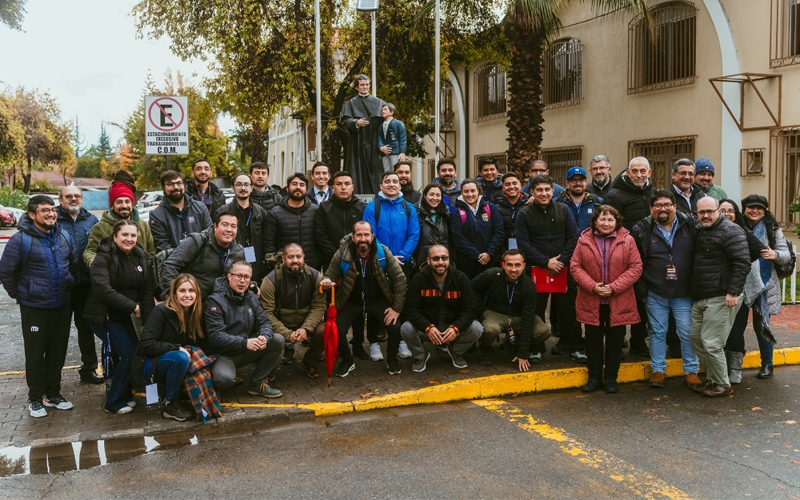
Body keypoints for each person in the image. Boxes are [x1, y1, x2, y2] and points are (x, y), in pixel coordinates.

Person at [0, 195, 79, 418]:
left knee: (57, 353)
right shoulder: (20, 240)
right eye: (45, 210)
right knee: (35, 355)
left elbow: (72, 266)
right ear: (32, 214)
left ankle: (53, 394)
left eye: (53, 210)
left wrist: (69, 286)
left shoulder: (63, 236)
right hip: (35, 308)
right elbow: (6, 272)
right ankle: (35, 399)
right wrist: (22, 295)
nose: (51, 214)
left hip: (62, 306)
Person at [630, 190, 702, 390]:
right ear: (651, 209)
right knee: (657, 332)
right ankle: (658, 370)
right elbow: (635, 260)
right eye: (658, 205)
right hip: (656, 292)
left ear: (674, 207)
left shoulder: (691, 225)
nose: (663, 208)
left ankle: (691, 371)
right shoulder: (642, 229)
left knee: (687, 332)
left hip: (684, 292)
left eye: (667, 204)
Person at [84, 219, 155, 414]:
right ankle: (113, 402)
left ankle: (125, 394)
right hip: (105, 316)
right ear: (114, 236)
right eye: (124, 235)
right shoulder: (103, 258)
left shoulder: (141, 256)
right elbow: (102, 290)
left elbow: (147, 291)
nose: (129, 239)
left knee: (137, 352)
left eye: (133, 235)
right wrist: (131, 305)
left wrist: (148, 323)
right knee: (128, 353)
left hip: (129, 317)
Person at [320, 221, 408, 376]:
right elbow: (330, 275)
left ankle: (392, 360)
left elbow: (399, 279)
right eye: (359, 235)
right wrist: (326, 282)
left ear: (372, 237)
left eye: (366, 234)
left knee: (394, 326)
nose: (363, 238)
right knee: (336, 329)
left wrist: (396, 309)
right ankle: (347, 360)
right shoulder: (342, 253)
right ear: (353, 237)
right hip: (351, 300)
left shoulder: (383, 252)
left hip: (377, 299)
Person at [572, 206, 642, 394]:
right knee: (593, 343)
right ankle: (594, 377)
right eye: (602, 219)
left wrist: (614, 287)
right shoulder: (583, 240)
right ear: (595, 221)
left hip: (619, 300)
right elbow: (575, 267)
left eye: (610, 220)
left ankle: (611, 377)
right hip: (591, 299)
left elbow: (636, 267)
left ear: (617, 222)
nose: (606, 223)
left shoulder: (628, 240)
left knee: (615, 342)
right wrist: (593, 286)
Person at [515, 174, 585, 363]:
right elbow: (523, 244)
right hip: (536, 269)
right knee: (536, 311)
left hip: (563, 268)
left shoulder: (563, 210)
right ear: (532, 192)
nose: (544, 193)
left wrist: (560, 261)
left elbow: (573, 237)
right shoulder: (524, 213)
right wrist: (546, 262)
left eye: (547, 189)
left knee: (570, 310)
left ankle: (576, 347)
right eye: (539, 190)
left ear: (553, 191)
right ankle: (536, 349)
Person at [689, 197, 750, 397]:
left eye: (710, 211)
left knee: (712, 342)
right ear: (696, 213)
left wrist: (733, 292)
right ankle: (714, 380)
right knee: (697, 339)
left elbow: (742, 262)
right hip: (702, 296)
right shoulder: (701, 230)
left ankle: (723, 384)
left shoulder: (731, 231)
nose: (705, 215)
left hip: (722, 296)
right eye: (701, 212)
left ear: (718, 211)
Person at [725, 195, 791, 381]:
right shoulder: (736, 226)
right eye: (750, 207)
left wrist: (774, 254)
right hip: (740, 285)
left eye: (759, 207)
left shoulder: (773, 229)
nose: (755, 210)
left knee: (762, 326)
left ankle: (767, 364)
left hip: (765, 285)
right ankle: (734, 368)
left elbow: (786, 255)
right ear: (743, 209)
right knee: (735, 328)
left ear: (765, 210)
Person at [205, 261, 284, 397]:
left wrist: (264, 337)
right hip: (223, 354)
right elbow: (216, 336)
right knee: (224, 379)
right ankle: (213, 385)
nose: (243, 281)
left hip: (245, 349)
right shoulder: (215, 301)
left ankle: (257, 384)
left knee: (277, 340)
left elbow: (264, 321)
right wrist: (245, 342)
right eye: (239, 276)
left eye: (247, 277)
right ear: (229, 276)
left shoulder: (250, 296)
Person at [137, 274, 207, 422]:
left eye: (191, 291)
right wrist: (176, 348)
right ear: (174, 293)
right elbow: (146, 345)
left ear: (197, 293)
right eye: (182, 291)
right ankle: (170, 403)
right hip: (150, 363)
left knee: (201, 357)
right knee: (180, 358)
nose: (187, 295)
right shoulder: (161, 311)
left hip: (172, 357)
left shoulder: (196, 312)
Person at [400, 245, 482, 371]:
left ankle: (456, 352)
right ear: (428, 260)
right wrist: (428, 327)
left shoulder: (461, 278)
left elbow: (471, 309)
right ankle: (421, 356)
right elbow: (411, 310)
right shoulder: (418, 279)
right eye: (436, 259)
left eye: (444, 258)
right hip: (428, 328)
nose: (440, 262)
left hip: (452, 327)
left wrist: (456, 328)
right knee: (406, 328)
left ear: (449, 259)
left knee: (477, 328)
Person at [604, 157, 655, 357]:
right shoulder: (615, 195)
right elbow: (610, 226)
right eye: (635, 171)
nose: (639, 175)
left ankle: (638, 341)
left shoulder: (654, 193)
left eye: (643, 171)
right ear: (628, 172)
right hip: (622, 256)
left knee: (643, 301)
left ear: (649, 173)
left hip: (650, 256)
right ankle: (615, 343)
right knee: (619, 301)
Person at [472, 249, 550, 367]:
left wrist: (523, 353)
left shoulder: (529, 286)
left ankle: (513, 343)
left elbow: (528, 319)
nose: (513, 269)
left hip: (518, 317)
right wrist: (481, 310)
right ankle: (485, 347)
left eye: (517, 265)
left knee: (543, 331)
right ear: (503, 265)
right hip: (494, 314)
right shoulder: (492, 275)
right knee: (490, 329)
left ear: (524, 266)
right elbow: (471, 289)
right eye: (509, 265)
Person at [56, 185, 102, 384]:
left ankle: (89, 368)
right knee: (59, 332)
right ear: (60, 200)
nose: (73, 199)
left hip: (86, 286)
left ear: (82, 199)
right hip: (62, 286)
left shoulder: (92, 220)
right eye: (69, 196)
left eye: (77, 196)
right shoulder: (53, 219)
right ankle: (53, 373)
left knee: (86, 329)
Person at [259, 243, 326, 379]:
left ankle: (310, 361)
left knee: (324, 329)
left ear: (304, 258)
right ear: (283, 259)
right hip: (279, 322)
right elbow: (266, 313)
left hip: (304, 321)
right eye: (290, 257)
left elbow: (319, 306)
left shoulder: (314, 276)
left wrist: (306, 329)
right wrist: (287, 333)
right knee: (263, 332)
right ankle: (268, 366)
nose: (295, 260)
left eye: (298, 256)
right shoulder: (270, 280)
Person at [160, 210, 245, 301]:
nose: (229, 229)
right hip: (191, 302)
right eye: (225, 224)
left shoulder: (238, 251)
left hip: (219, 305)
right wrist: (173, 295)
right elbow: (170, 266)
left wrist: (252, 285)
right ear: (215, 226)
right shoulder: (196, 241)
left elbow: (245, 275)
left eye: (233, 226)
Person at [84, 170, 156, 266]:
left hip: (140, 277)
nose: (124, 205)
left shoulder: (143, 226)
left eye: (127, 201)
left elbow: (152, 251)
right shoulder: (100, 227)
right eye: (119, 202)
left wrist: (144, 267)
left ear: (132, 203)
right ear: (112, 205)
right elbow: (89, 251)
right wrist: (92, 260)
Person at [362, 171, 420, 275]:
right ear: (381, 186)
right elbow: (370, 236)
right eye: (387, 181)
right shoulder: (371, 208)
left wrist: (403, 256)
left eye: (395, 181)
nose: (391, 184)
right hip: (378, 262)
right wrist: (387, 257)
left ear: (399, 186)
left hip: (402, 263)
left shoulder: (409, 208)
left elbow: (414, 235)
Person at [265, 172, 322, 271]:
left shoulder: (316, 211)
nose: (298, 187)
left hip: (312, 268)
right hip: (285, 269)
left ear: (307, 190)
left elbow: (321, 239)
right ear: (287, 189)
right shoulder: (275, 213)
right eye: (294, 184)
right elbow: (269, 245)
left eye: (302, 185)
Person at [449, 178, 504, 279]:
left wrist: (489, 253)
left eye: (473, 191)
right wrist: (478, 255)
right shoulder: (457, 213)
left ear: (478, 191)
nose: (470, 194)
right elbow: (458, 239)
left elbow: (499, 232)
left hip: (491, 260)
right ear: (461, 193)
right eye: (466, 191)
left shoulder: (490, 207)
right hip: (468, 264)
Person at [219, 173, 270, 282]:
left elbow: (267, 240)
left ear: (251, 188)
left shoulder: (261, 212)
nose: (243, 188)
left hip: (257, 263)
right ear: (232, 188)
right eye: (239, 185)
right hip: (231, 262)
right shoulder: (223, 211)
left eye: (246, 185)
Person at [341, 75, 385, 194]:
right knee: (357, 172)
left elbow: (387, 122)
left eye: (367, 84)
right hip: (357, 144)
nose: (365, 87)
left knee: (376, 173)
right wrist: (356, 122)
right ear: (357, 87)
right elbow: (345, 121)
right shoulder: (351, 104)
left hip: (374, 144)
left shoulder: (379, 103)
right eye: (362, 85)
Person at [149, 170, 213, 252]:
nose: (176, 187)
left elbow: (209, 236)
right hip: (174, 263)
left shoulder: (200, 207)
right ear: (163, 188)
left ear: (184, 185)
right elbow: (163, 246)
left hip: (201, 261)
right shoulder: (156, 215)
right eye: (170, 184)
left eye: (179, 183)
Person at [315, 171, 366, 267]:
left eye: (347, 184)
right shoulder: (324, 208)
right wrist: (337, 255)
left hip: (358, 259)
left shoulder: (362, 208)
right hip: (332, 261)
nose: (343, 187)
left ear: (352, 187)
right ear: (333, 188)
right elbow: (321, 235)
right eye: (339, 184)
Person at [414, 183, 451, 270]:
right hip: (421, 262)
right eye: (431, 194)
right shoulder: (416, 213)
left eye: (438, 195)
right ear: (425, 196)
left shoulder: (446, 214)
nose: (435, 198)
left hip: (442, 262)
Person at [558, 166, 603, 232]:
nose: (578, 183)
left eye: (581, 180)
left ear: (586, 182)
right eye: (573, 180)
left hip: (589, 242)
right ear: (567, 183)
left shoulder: (597, 202)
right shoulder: (558, 203)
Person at [494, 172, 528, 253]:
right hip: (503, 251)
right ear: (503, 188)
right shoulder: (496, 208)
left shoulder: (529, 205)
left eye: (514, 183)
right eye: (507, 184)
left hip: (526, 251)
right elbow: (495, 233)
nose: (511, 187)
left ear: (521, 185)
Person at [378, 103, 407, 172]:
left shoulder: (398, 124)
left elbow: (403, 138)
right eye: (382, 110)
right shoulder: (381, 126)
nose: (383, 111)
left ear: (392, 112)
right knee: (386, 171)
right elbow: (379, 138)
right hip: (384, 153)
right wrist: (380, 147)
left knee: (396, 170)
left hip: (395, 152)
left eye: (385, 109)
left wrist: (402, 152)